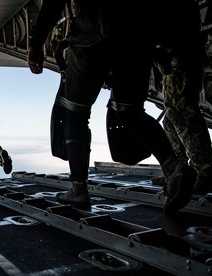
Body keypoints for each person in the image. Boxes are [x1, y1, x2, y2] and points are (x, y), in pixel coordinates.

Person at [27, 0, 196, 212]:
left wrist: (36, 43)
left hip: (90, 41)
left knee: (75, 112)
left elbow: (54, 3)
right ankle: (174, 169)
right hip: (135, 40)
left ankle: (78, 190)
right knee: (131, 112)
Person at [150, 0, 212, 195]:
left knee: (184, 114)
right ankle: (178, 171)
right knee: (171, 119)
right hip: (174, 55)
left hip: (181, 54)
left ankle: (206, 172)